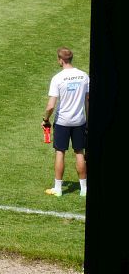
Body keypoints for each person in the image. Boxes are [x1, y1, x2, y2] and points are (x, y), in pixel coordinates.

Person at [43, 47, 89, 197]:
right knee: (79, 153)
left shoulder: (58, 78)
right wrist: (88, 120)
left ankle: (58, 188)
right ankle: (84, 189)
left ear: (60, 60)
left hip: (63, 121)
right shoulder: (83, 76)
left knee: (60, 153)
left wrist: (46, 119)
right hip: (79, 121)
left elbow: (51, 105)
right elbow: (88, 101)